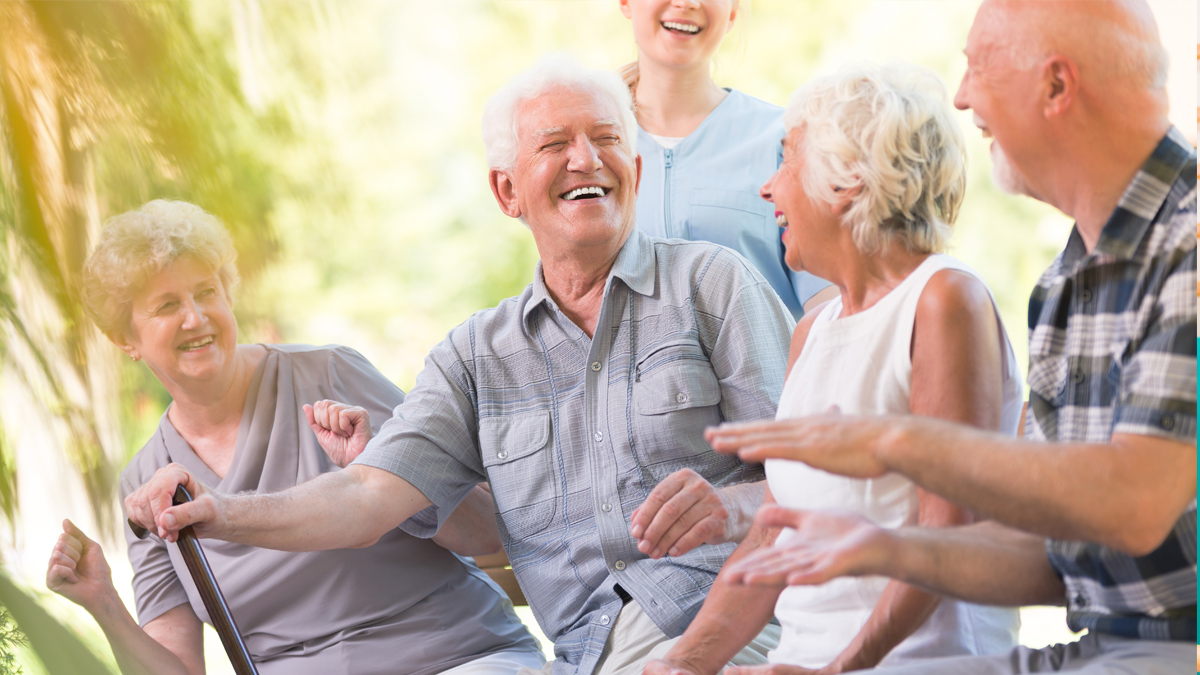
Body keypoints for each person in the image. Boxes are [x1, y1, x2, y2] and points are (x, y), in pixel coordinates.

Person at [121, 57, 795, 675]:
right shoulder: (476, 357)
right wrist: (220, 513)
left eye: (608, 139)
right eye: (556, 144)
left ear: (637, 171)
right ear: (507, 192)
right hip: (590, 659)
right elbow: (363, 496)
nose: (587, 159)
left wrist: (731, 507)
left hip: (737, 629)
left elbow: (817, 483)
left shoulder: (713, 284)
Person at [707, 1, 1197, 673]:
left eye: (980, 65)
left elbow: (1137, 506)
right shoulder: (1065, 283)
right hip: (1101, 645)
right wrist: (882, 547)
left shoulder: (1188, 242)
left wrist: (893, 440)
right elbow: (1055, 557)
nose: (962, 98)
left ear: (1055, 86)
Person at [46, 200, 544, 675]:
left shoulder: (329, 375)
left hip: (454, 658)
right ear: (124, 338)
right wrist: (104, 604)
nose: (195, 318)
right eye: (166, 305)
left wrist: (388, 475)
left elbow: (488, 532)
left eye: (206, 292)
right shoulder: (148, 482)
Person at [645, 61, 1021, 675]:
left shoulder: (943, 300)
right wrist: (682, 662)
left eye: (786, 161)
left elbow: (945, 538)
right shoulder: (812, 334)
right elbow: (773, 533)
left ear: (845, 180)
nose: (767, 189)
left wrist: (835, 671)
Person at [618, 0, 835, 320]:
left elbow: (829, 306)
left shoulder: (785, 142)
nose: (686, 3)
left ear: (732, 11)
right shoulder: (590, 150)